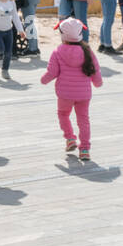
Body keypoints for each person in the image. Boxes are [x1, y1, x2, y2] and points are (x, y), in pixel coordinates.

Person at [41, 17, 103, 162]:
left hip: (65, 94)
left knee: (63, 114)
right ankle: (85, 149)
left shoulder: (57, 52)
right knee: (83, 120)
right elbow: (95, 70)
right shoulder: (87, 50)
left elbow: (52, 72)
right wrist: (98, 83)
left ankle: (69, 138)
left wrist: (44, 80)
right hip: (84, 94)